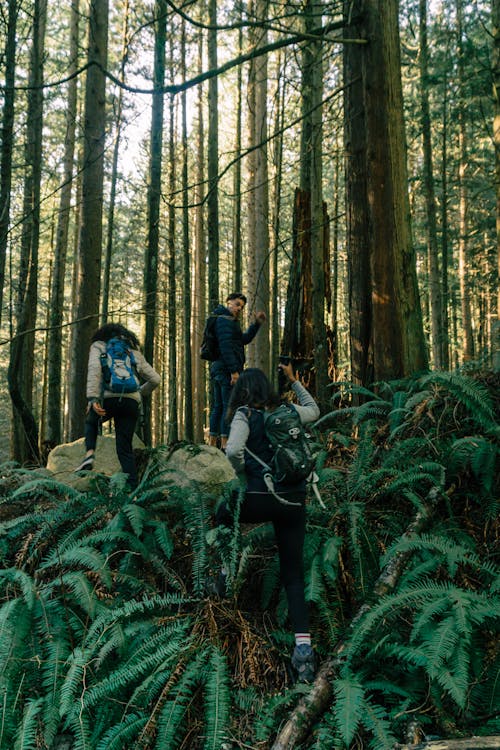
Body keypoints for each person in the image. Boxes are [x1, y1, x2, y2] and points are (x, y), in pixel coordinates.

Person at [217, 362, 320, 682]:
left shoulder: (245, 414)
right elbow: (314, 411)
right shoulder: (287, 410)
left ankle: (222, 574)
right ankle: (304, 652)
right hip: (294, 499)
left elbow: (232, 449)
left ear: (242, 390)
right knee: (292, 574)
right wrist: (294, 382)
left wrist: (242, 473)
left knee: (222, 512)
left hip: (260, 497)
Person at [75, 323, 160, 489]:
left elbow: (94, 370)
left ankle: (90, 455)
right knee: (124, 448)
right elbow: (155, 379)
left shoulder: (99, 346)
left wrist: (92, 399)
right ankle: (132, 490)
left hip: (108, 399)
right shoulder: (133, 351)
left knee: (92, 421)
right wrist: (138, 394)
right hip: (130, 403)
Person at [208, 292, 266, 449]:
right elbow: (226, 347)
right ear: (228, 302)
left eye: (242, 306)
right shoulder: (224, 321)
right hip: (225, 369)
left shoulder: (229, 321)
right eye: (237, 304)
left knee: (219, 406)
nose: (239, 308)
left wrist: (256, 324)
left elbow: (243, 339)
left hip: (219, 368)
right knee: (227, 406)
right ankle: (224, 444)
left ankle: (214, 442)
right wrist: (234, 371)